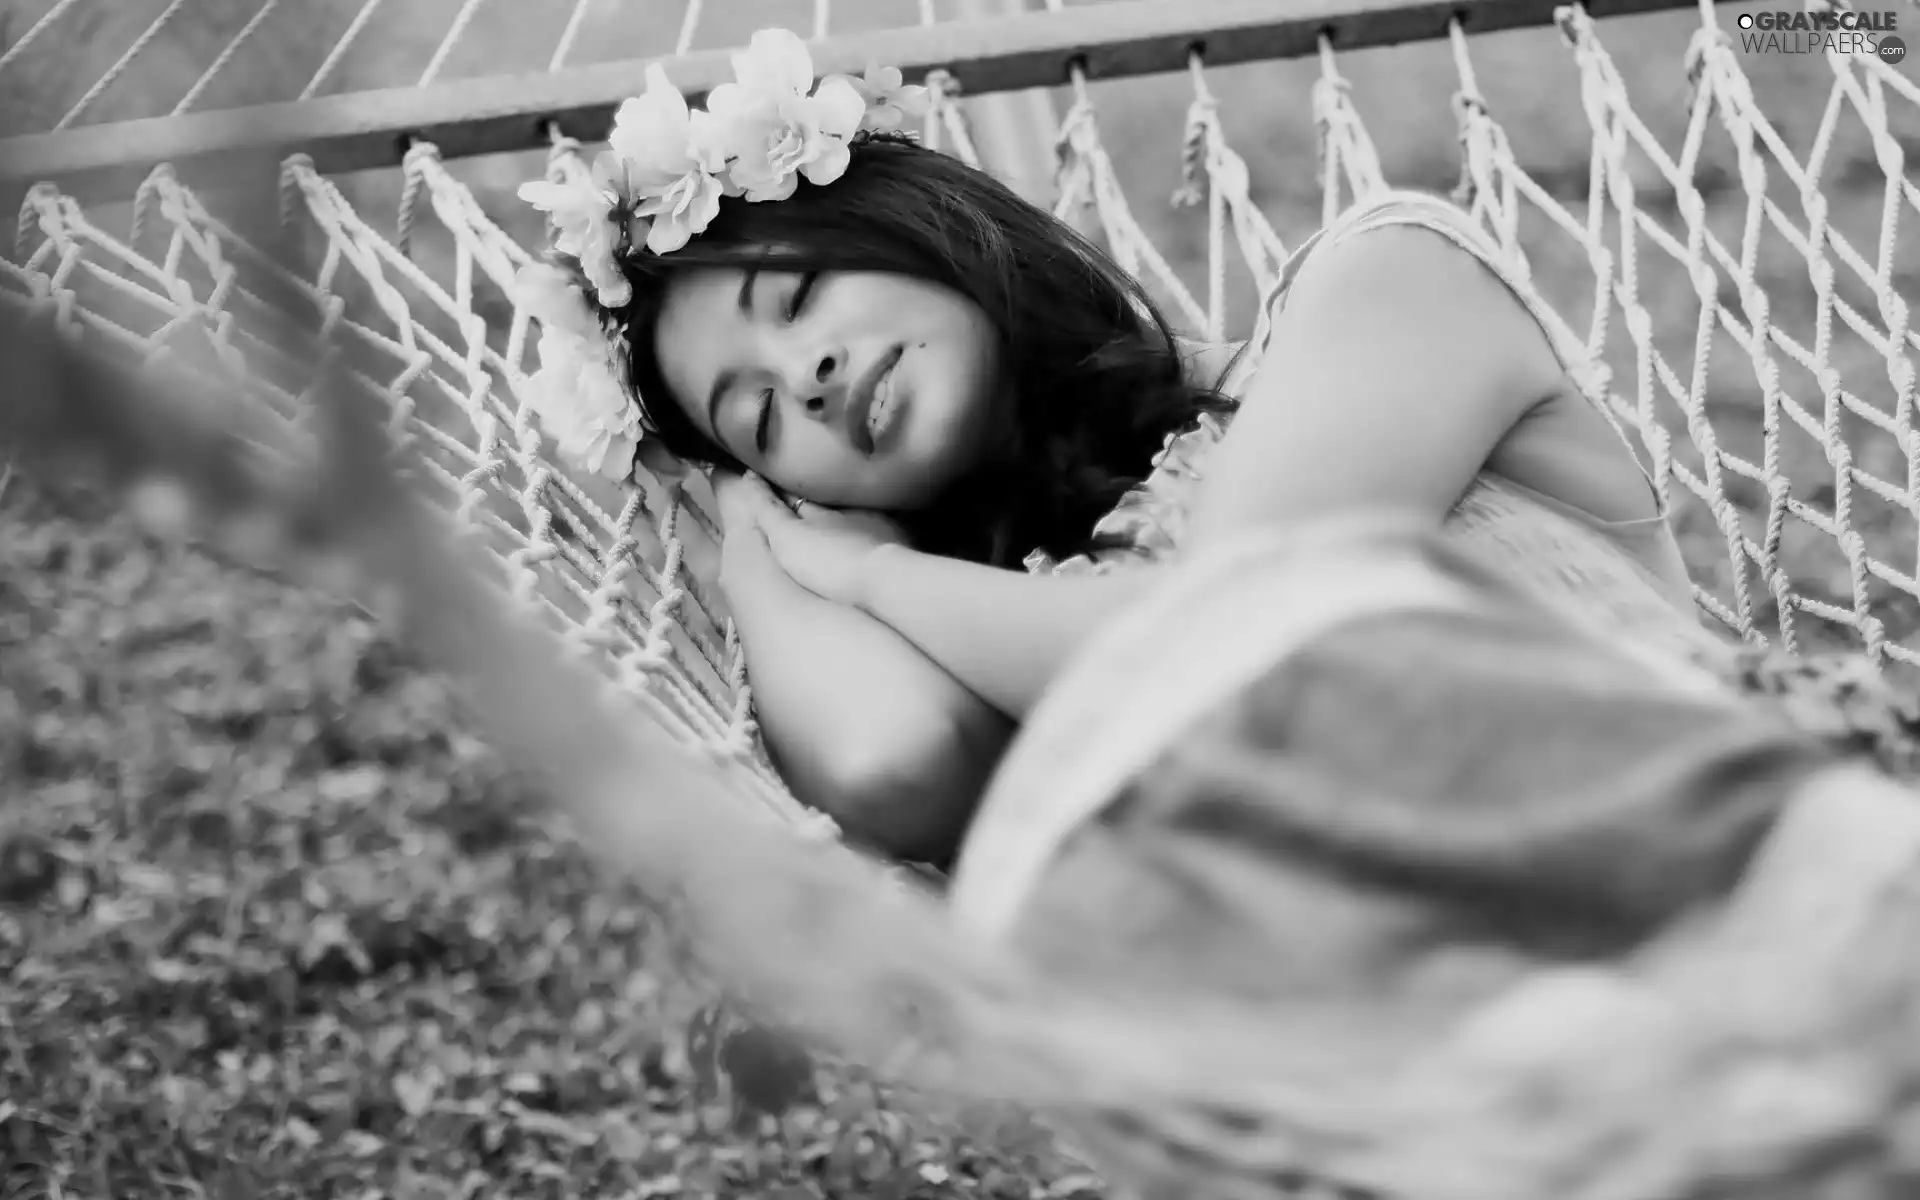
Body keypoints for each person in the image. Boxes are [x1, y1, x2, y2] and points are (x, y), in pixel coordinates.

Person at [513, 30, 1732, 870]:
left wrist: (871, 577)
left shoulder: (1392, 283)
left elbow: (1202, 654)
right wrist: (760, 552)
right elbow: (893, 764)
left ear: (931, 224)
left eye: (803, 299)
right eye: (758, 418)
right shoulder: (1005, 632)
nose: (809, 380)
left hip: (1743, 889)